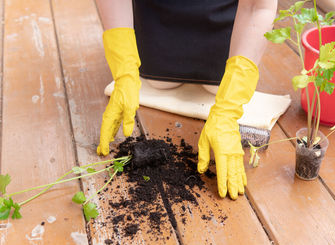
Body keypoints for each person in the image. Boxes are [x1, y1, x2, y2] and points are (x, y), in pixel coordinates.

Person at [95, 0, 277, 200]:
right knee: (160, 82)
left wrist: (228, 109)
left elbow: (256, 6)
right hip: (157, 15)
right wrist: (124, 69)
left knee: (216, 85)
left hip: (227, 18)